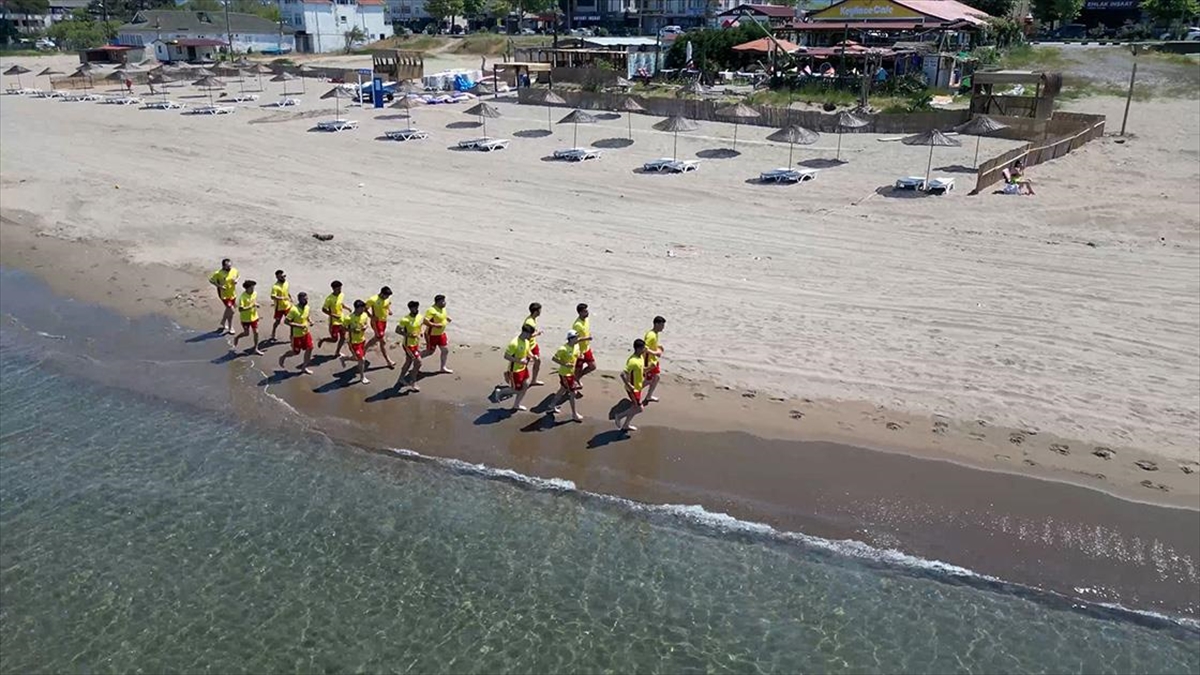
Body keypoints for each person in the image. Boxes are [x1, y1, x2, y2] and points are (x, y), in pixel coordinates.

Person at [490, 323, 536, 411]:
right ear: (525, 333)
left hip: (523, 368)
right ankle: (501, 392)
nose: (531, 336)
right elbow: (506, 356)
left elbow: (527, 350)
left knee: (526, 385)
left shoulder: (526, 341)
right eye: (530, 334)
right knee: (517, 390)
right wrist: (519, 361)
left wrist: (532, 356)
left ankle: (516, 405)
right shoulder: (514, 343)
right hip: (514, 370)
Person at [614, 338, 647, 432]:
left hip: (638, 387)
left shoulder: (640, 357)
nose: (644, 350)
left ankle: (626, 425)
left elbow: (641, 370)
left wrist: (649, 369)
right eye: (643, 348)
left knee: (634, 407)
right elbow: (622, 374)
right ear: (638, 349)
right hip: (632, 390)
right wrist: (629, 385)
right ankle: (619, 416)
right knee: (639, 409)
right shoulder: (632, 361)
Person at [550, 330, 584, 422]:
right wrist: (565, 364)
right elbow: (554, 358)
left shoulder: (576, 346)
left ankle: (552, 405)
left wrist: (580, 356)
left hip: (571, 373)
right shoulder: (563, 349)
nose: (578, 339)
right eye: (576, 337)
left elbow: (576, 355)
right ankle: (574, 414)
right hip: (565, 374)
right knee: (572, 394)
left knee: (562, 389)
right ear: (571, 339)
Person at [278, 292, 315, 374]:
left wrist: (310, 321)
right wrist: (298, 326)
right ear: (299, 299)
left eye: (307, 298)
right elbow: (286, 321)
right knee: (295, 352)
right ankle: (283, 357)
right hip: (297, 335)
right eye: (304, 299)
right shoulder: (293, 309)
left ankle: (304, 367)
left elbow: (307, 316)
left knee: (310, 348)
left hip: (306, 333)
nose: (306, 300)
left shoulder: (307, 307)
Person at [341, 299, 372, 385]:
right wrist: (352, 330)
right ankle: (362, 377)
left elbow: (366, 324)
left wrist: (365, 327)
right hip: (353, 342)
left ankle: (344, 358)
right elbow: (342, 328)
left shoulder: (364, 315)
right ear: (357, 308)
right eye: (362, 308)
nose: (363, 310)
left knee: (357, 358)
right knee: (362, 359)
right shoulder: (349, 318)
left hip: (362, 340)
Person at [395, 300, 423, 392]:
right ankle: (413, 382)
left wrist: (421, 332)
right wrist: (409, 335)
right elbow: (397, 330)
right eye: (413, 308)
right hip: (408, 344)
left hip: (416, 343)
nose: (415, 309)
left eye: (416, 307)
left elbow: (420, 326)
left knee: (408, 361)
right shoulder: (405, 319)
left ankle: (401, 378)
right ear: (410, 309)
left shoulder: (419, 317)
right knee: (418, 362)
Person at [364, 286, 395, 369]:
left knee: (379, 339)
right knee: (381, 340)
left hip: (384, 321)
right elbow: (364, 308)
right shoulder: (373, 299)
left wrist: (389, 311)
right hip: (376, 322)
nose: (387, 297)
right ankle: (388, 361)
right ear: (382, 293)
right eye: (386, 296)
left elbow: (387, 304)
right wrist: (371, 316)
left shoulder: (387, 299)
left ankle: (364, 349)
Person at [421, 294, 453, 374]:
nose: (445, 303)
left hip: (441, 334)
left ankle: (443, 368)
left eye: (444, 301)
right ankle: (415, 358)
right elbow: (425, 321)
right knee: (430, 352)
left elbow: (441, 316)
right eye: (443, 301)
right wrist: (435, 325)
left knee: (445, 350)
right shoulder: (431, 310)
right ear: (438, 302)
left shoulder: (443, 308)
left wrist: (447, 318)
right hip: (431, 335)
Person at [232, 280, 265, 355]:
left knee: (256, 332)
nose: (253, 289)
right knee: (246, 333)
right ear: (247, 288)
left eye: (253, 287)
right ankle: (237, 337)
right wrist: (250, 306)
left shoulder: (255, 293)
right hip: (245, 319)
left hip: (254, 317)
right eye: (252, 287)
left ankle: (256, 348)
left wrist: (256, 304)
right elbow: (240, 309)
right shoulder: (242, 297)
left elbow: (253, 302)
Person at [318, 280, 350, 358]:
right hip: (334, 322)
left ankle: (337, 352)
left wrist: (346, 308)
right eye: (338, 289)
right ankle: (323, 340)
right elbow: (324, 309)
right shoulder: (329, 299)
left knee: (343, 337)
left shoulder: (341, 295)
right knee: (334, 339)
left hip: (342, 320)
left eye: (340, 288)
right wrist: (333, 315)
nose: (340, 290)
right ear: (333, 289)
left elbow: (340, 303)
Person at [208, 258, 238, 335]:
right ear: (223, 266)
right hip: (224, 295)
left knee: (228, 310)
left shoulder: (234, 270)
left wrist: (236, 280)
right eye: (228, 266)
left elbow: (237, 276)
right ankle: (231, 327)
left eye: (230, 266)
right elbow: (211, 280)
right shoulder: (218, 273)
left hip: (233, 293)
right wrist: (219, 286)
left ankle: (223, 321)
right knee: (231, 310)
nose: (229, 268)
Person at [643, 315, 666, 404]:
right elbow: (644, 348)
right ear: (656, 324)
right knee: (649, 380)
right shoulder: (651, 335)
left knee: (656, 378)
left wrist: (657, 347)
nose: (663, 327)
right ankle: (634, 389)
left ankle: (648, 396)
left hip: (654, 361)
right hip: (649, 362)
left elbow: (650, 346)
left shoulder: (655, 334)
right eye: (662, 325)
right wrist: (655, 353)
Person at [572, 303, 596, 383]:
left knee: (592, 366)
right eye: (585, 311)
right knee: (577, 370)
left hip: (586, 349)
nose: (587, 312)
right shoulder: (577, 325)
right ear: (580, 313)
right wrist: (587, 338)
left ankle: (577, 378)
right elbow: (574, 339)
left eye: (587, 311)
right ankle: (572, 384)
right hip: (579, 351)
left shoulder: (586, 320)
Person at [522, 302, 545, 386]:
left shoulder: (533, 319)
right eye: (540, 310)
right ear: (536, 311)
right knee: (524, 364)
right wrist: (537, 334)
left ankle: (533, 380)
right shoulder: (529, 322)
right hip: (528, 346)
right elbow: (526, 335)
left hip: (533, 344)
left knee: (537, 361)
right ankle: (519, 380)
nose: (540, 311)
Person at [269, 270, 292, 343]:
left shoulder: (286, 283)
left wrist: (290, 298)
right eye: (282, 277)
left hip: (287, 306)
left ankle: (292, 336)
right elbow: (272, 296)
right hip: (279, 308)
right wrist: (281, 298)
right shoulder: (275, 287)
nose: (284, 278)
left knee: (291, 321)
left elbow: (287, 292)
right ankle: (273, 333)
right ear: (277, 277)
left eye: (284, 276)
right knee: (277, 322)